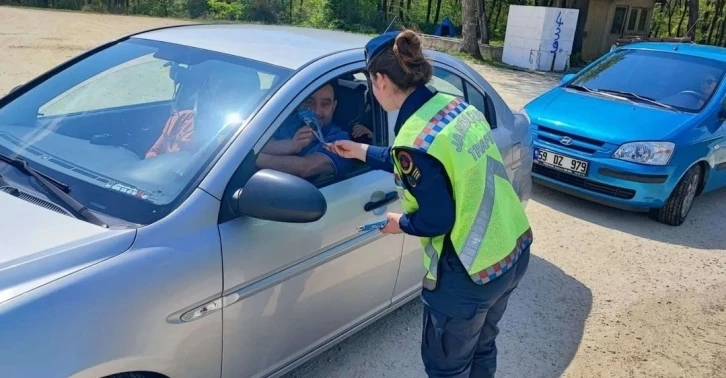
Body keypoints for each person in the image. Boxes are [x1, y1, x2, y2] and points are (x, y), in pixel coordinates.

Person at [326, 29, 534, 378]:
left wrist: (400, 224)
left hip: (466, 275)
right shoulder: (453, 108)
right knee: (483, 349)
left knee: (446, 369)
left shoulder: (414, 142)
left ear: (379, 79)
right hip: (511, 250)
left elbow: (435, 218)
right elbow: (435, 162)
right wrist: (362, 151)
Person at [145, 60, 258, 159]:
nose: (230, 95)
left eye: (233, 88)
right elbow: (153, 152)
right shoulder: (182, 116)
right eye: (219, 87)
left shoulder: (250, 130)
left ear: (248, 92)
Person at [255, 82, 353, 181]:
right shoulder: (286, 120)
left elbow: (306, 168)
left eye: (325, 104)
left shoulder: (340, 140)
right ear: (299, 103)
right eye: (310, 102)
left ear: (333, 107)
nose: (317, 112)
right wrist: (289, 145)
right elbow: (258, 142)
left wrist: (253, 159)